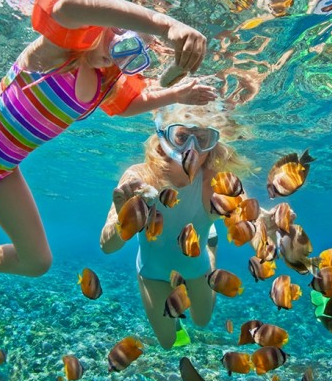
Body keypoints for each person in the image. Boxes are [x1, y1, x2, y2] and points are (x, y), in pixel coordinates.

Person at [0, 0, 218, 329]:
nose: (114, 56)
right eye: (116, 36)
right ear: (107, 21)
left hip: (3, 170)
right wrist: (165, 25)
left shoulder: (104, 82)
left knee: (37, 261)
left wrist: (176, 94)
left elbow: (130, 103)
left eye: (129, 56)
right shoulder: (58, 51)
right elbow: (68, 6)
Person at [99, 103, 250, 349]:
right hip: (152, 271)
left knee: (202, 321)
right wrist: (122, 219)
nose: (191, 148)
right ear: (164, 136)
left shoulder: (215, 181)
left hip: (196, 265)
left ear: (213, 145)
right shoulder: (139, 177)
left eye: (202, 139)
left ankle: (211, 251)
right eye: (181, 137)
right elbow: (107, 246)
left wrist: (269, 225)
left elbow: (248, 216)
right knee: (169, 342)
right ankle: (175, 307)